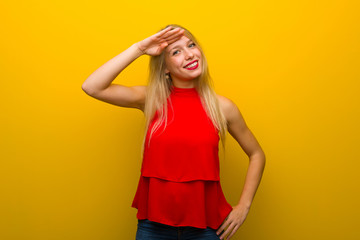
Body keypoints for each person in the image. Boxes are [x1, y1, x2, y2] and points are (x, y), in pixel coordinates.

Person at [82, 24, 266, 240]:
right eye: (176, 52)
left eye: (191, 45)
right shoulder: (151, 99)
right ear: (165, 67)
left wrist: (244, 205)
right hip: (153, 228)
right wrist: (140, 48)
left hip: (206, 228)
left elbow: (257, 154)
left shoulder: (223, 107)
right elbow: (92, 86)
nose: (188, 54)